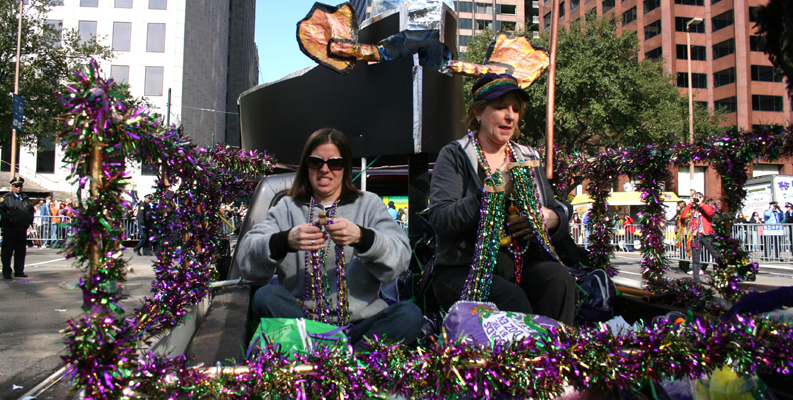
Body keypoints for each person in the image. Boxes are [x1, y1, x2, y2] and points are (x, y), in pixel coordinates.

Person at [238, 128, 422, 347]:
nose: (324, 170)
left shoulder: (369, 204)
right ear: (306, 166)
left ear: (344, 168)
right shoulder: (286, 207)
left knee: (409, 315)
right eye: (316, 162)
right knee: (266, 296)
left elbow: (401, 257)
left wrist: (363, 238)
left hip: (361, 327)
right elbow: (245, 258)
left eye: (334, 163)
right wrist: (284, 240)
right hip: (303, 325)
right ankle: (344, 360)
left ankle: (328, 357)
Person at [429, 73, 577, 325]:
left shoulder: (527, 156)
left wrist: (551, 219)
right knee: (511, 299)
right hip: (464, 268)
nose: (510, 115)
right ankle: (517, 363)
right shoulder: (455, 154)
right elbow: (441, 219)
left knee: (558, 279)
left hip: (522, 263)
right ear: (477, 112)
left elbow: (555, 210)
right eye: (500, 107)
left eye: (516, 109)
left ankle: (554, 358)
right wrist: (492, 192)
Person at [0, 176, 35, 279]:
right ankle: (6, 272)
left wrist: (28, 221)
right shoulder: (6, 198)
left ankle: (19, 270)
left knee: (20, 251)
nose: (18, 188)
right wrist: (7, 220)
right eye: (16, 186)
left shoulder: (25, 198)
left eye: (20, 186)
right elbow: (1, 211)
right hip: (10, 228)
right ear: (12, 186)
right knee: (7, 251)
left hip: (21, 229)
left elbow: (31, 211)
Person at [677, 192, 720, 282]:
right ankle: (696, 279)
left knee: (715, 255)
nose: (696, 199)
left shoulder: (706, 206)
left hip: (706, 235)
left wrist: (701, 203)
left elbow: (710, 213)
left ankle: (720, 274)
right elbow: (683, 215)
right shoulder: (692, 209)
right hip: (695, 236)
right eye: (694, 197)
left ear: (702, 198)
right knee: (696, 258)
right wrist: (690, 203)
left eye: (698, 197)